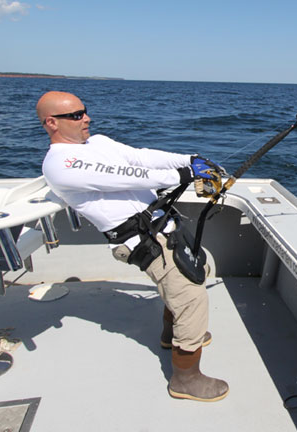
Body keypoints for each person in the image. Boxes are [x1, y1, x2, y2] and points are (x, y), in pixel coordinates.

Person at [37, 91, 229, 402]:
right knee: (191, 296)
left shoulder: (96, 143)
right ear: (51, 123)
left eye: (84, 111)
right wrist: (184, 174)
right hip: (142, 240)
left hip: (162, 224)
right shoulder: (61, 163)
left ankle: (173, 335)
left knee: (199, 267)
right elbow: (129, 177)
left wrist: (188, 159)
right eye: (75, 115)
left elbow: (140, 157)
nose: (86, 118)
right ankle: (186, 378)